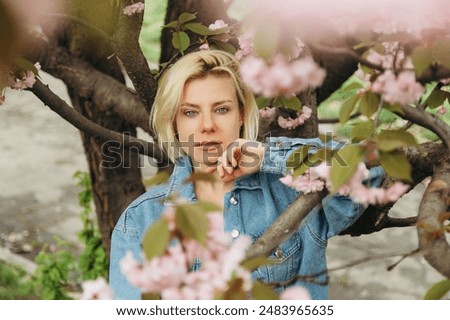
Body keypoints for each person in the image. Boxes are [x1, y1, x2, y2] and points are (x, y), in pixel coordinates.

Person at [109, 49, 384, 299]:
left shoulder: (291, 191)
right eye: (190, 112)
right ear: (174, 122)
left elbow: (371, 168)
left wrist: (266, 156)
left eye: (221, 109)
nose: (207, 126)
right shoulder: (139, 222)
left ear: (241, 114)